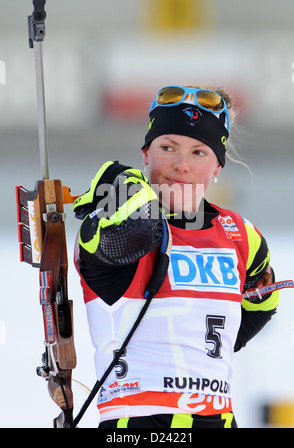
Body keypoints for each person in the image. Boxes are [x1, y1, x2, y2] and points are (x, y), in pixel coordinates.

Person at [73, 85, 280, 429]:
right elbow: (127, 234)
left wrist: (207, 350)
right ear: (146, 154)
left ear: (217, 166)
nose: (181, 166)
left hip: (219, 419)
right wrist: (124, 182)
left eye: (199, 153)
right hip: (137, 424)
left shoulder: (242, 234)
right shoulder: (111, 221)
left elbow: (263, 302)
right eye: (167, 148)